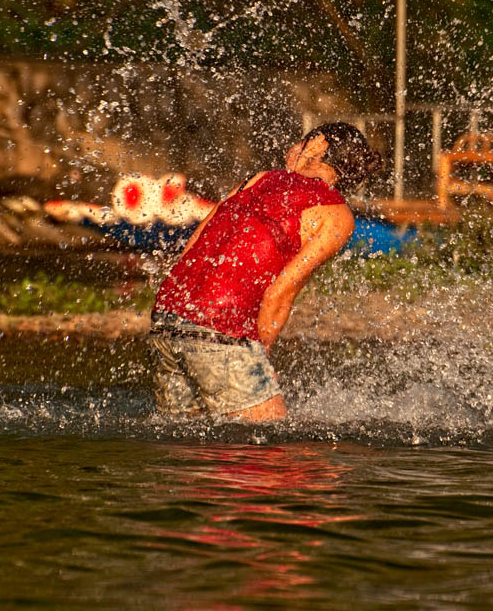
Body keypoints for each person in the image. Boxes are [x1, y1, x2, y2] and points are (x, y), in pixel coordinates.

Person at [148, 122, 382, 422]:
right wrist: (261, 356)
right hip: (221, 330)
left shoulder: (257, 179)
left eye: (302, 140)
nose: (293, 148)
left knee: (187, 447)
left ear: (319, 145)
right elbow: (280, 293)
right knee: (270, 452)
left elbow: (192, 247)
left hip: (167, 317)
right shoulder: (336, 215)